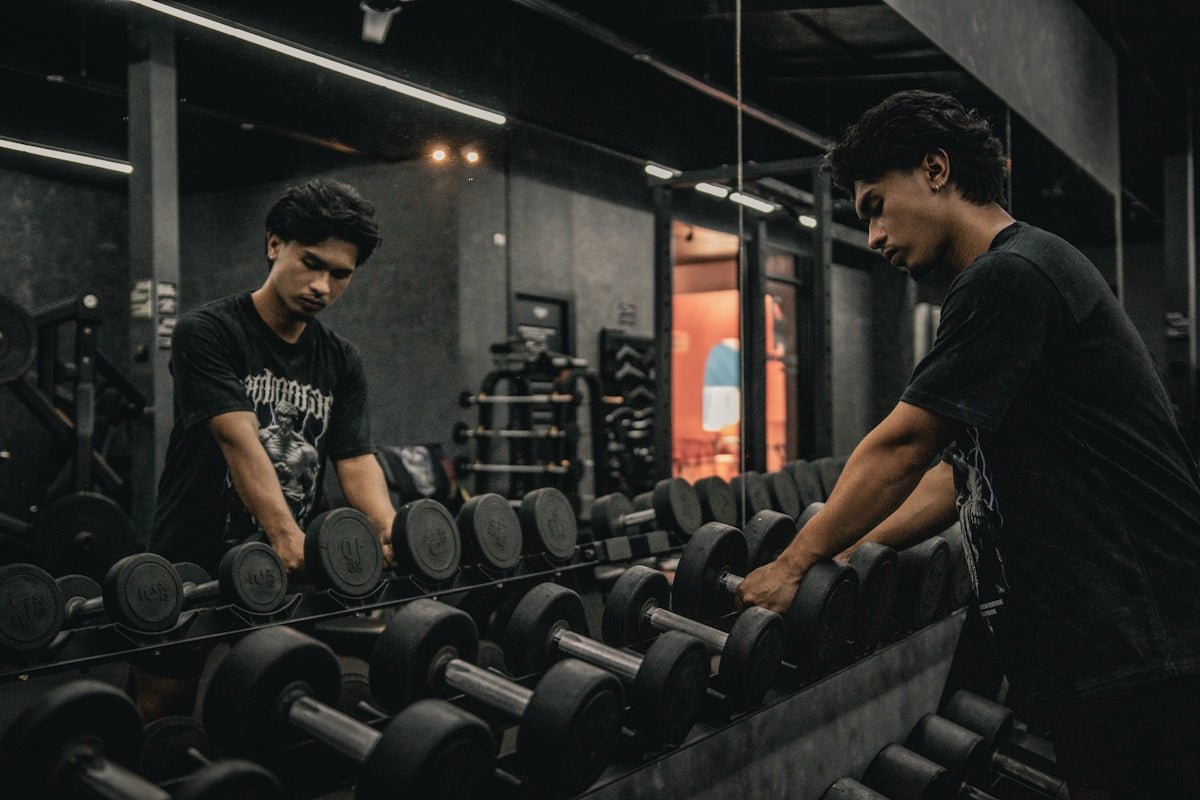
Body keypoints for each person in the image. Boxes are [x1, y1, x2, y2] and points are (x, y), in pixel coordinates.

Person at [736, 90, 1200, 798]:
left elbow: (903, 447)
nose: (873, 237)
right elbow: (953, 480)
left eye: (875, 207)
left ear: (935, 169)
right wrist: (848, 553)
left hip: (1141, 647)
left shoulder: (1009, 276)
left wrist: (794, 562)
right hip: (1119, 646)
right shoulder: (1025, 271)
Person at [139, 178, 397, 717]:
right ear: (275, 244)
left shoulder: (341, 359)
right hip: (195, 555)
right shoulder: (207, 332)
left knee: (281, 697)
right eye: (312, 263)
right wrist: (285, 535)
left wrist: (389, 530)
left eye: (340, 274)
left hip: (285, 567)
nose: (322, 286)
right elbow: (238, 440)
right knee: (162, 702)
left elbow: (355, 459)